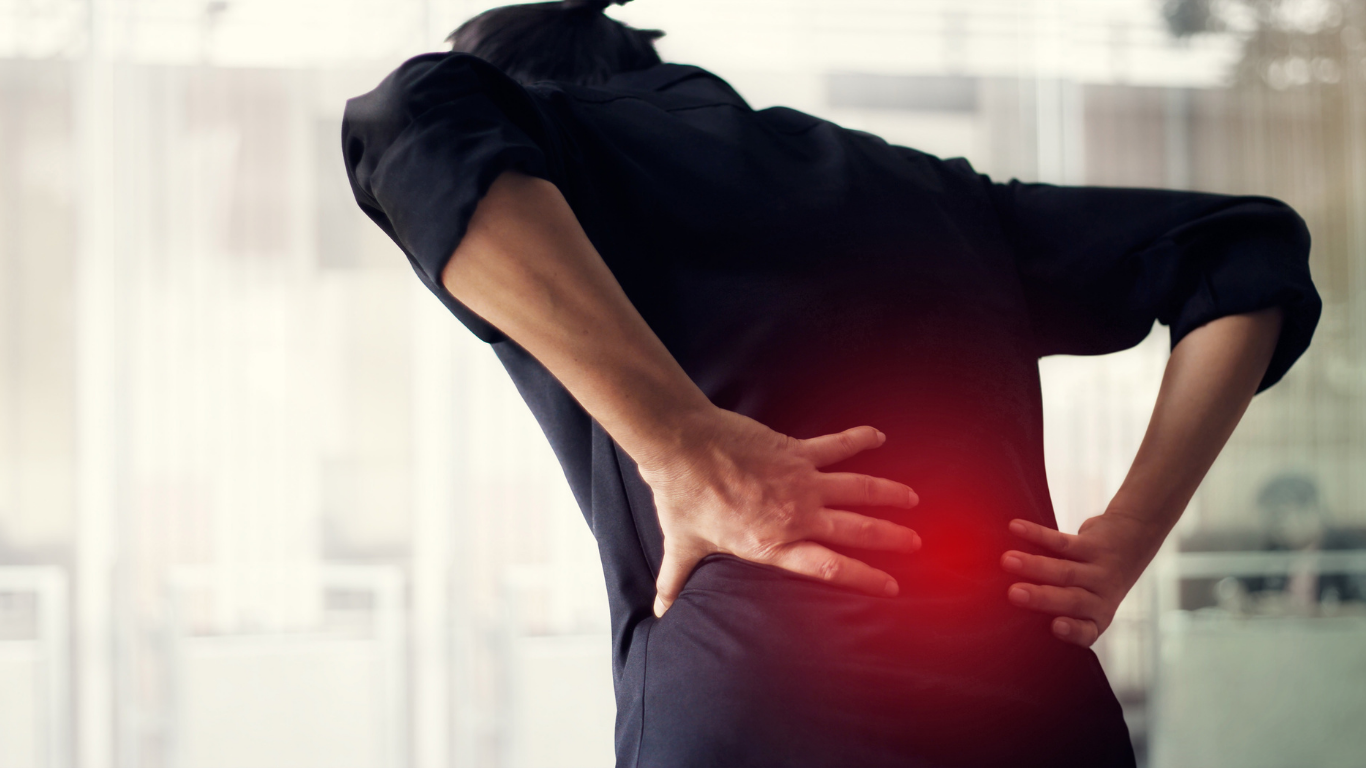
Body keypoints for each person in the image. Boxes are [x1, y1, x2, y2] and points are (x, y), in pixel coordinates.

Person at [341, 1, 1321, 764]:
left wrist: (686, 446)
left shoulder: (554, 144)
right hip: (1035, 710)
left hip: (761, 705)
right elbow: (1237, 249)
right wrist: (1132, 533)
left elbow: (408, 124)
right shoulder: (935, 194)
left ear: (513, 95)